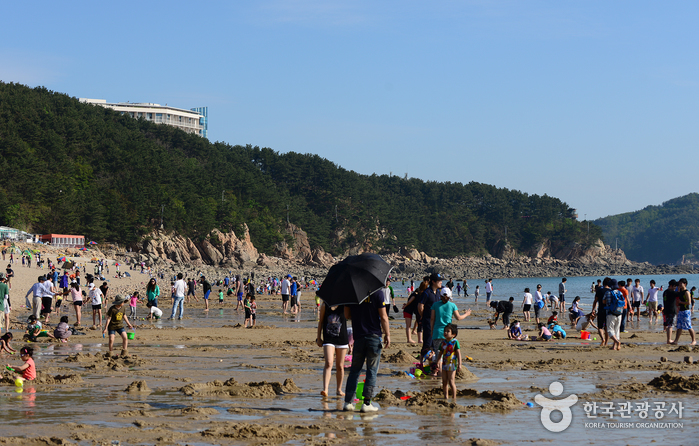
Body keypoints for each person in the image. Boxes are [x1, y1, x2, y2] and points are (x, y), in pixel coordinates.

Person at [343, 288, 391, 413]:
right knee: (372, 371)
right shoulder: (378, 293)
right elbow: (384, 316)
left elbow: (346, 315)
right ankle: (367, 403)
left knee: (355, 371)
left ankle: (348, 402)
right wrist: (388, 334)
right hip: (374, 336)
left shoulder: (352, 294)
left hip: (358, 337)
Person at [430, 287, 471, 375]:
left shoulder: (435, 305)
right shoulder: (452, 305)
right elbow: (458, 318)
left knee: (438, 356)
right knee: (447, 355)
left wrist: (431, 330)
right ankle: (445, 375)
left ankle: (440, 375)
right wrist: (467, 314)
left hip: (437, 332)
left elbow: (432, 319)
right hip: (449, 333)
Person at [316, 301, 349, 398]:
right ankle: (325, 389)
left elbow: (348, 316)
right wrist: (318, 337)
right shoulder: (325, 305)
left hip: (342, 339)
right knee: (329, 362)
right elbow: (321, 321)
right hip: (328, 339)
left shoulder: (344, 305)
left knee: (340, 366)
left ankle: (339, 389)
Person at [418, 273, 444, 359]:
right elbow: (420, 306)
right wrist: (424, 316)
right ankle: (421, 363)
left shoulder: (438, 293)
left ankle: (432, 364)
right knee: (427, 343)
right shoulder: (427, 292)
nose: (441, 282)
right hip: (428, 322)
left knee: (435, 344)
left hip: (436, 323)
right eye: (439, 281)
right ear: (433, 281)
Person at [435, 324, 461, 401]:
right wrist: (438, 361)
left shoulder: (455, 342)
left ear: (454, 334)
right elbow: (440, 353)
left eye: (448, 331)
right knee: (444, 381)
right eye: (445, 331)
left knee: (451, 381)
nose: (445, 332)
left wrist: (459, 364)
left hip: (452, 365)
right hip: (444, 364)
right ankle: (446, 397)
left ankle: (454, 398)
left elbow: (458, 353)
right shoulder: (443, 343)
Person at [672, 278, 696, 345]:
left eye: (681, 283)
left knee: (688, 326)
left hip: (686, 311)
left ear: (685, 284)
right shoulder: (680, 292)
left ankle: (694, 340)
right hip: (680, 311)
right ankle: (676, 340)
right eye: (679, 283)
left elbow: (689, 302)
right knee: (679, 326)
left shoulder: (686, 292)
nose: (679, 285)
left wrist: (681, 302)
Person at [591, 278, 611, 347]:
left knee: (600, 327)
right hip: (608, 311)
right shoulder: (611, 291)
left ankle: (603, 339)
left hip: (601, 310)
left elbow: (595, 301)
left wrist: (593, 309)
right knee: (607, 328)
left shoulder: (599, 291)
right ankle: (606, 343)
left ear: (603, 283)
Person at [662, 280, 679, 344]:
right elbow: (679, 294)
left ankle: (668, 339)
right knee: (670, 325)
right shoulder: (671, 292)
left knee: (669, 325)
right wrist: (679, 288)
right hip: (671, 310)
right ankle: (669, 339)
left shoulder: (665, 292)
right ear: (671, 286)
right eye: (675, 286)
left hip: (666, 310)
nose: (675, 288)